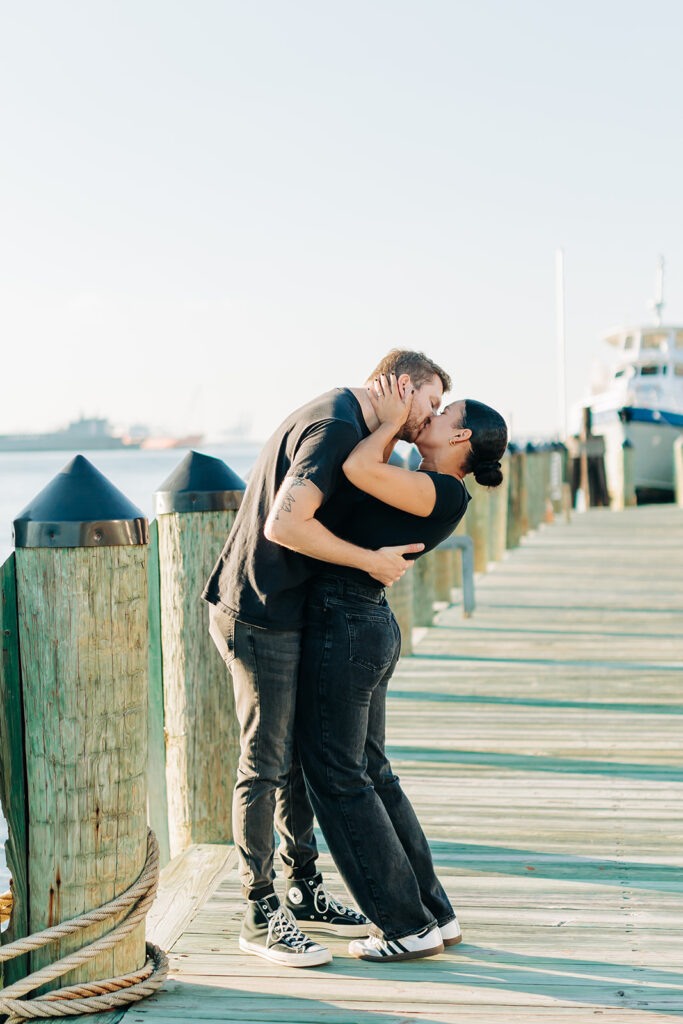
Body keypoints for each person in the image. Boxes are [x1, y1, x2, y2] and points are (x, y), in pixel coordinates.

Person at [203, 351, 451, 967]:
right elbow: (285, 526)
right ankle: (260, 915)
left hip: (287, 609)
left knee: (293, 760)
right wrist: (371, 562)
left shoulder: (355, 427)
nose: (432, 417)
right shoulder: (338, 425)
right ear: (395, 385)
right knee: (264, 763)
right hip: (260, 608)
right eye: (431, 402)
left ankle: (303, 888)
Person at [294, 376, 508, 962]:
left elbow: (361, 471)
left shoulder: (442, 491)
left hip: (348, 623)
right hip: (361, 623)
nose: (427, 417)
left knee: (338, 777)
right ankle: (435, 916)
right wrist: (390, 429)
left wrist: (387, 421)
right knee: (370, 774)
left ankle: (405, 926)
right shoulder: (427, 484)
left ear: (459, 435)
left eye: (440, 413)